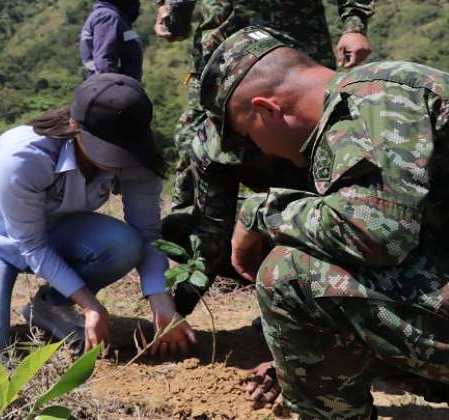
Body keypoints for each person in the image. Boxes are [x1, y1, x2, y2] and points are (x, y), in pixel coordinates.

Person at [199, 26, 449, 419]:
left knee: (290, 276)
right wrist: (298, 359)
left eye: (248, 135)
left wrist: (260, 212)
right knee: (353, 289)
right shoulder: (367, 102)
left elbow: (377, 235)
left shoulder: (373, 96)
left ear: (268, 109)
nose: (260, 151)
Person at [0, 73, 196, 366]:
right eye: (107, 149)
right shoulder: (25, 153)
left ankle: (50, 306)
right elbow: (31, 244)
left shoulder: (137, 157)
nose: (116, 161)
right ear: (75, 125)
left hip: (55, 230)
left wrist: (161, 300)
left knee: (124, 244)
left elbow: (147, 232)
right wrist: (90, 305)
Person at [153, 0, 375, 316]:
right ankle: (280, 292)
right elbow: (211, 228)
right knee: (182, 224)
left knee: (311, 200)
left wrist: (355, 24)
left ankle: (305, 304)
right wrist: (177, 308)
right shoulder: (218, 132)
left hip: (289, 69)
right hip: (220, 70)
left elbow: (371, 230)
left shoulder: (335, 128)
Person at [80, 0, 144, 80]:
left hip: (116, 87)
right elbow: (104, 63)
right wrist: (111, 88)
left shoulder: (112, 17)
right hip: (113, 88)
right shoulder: (108, 16)